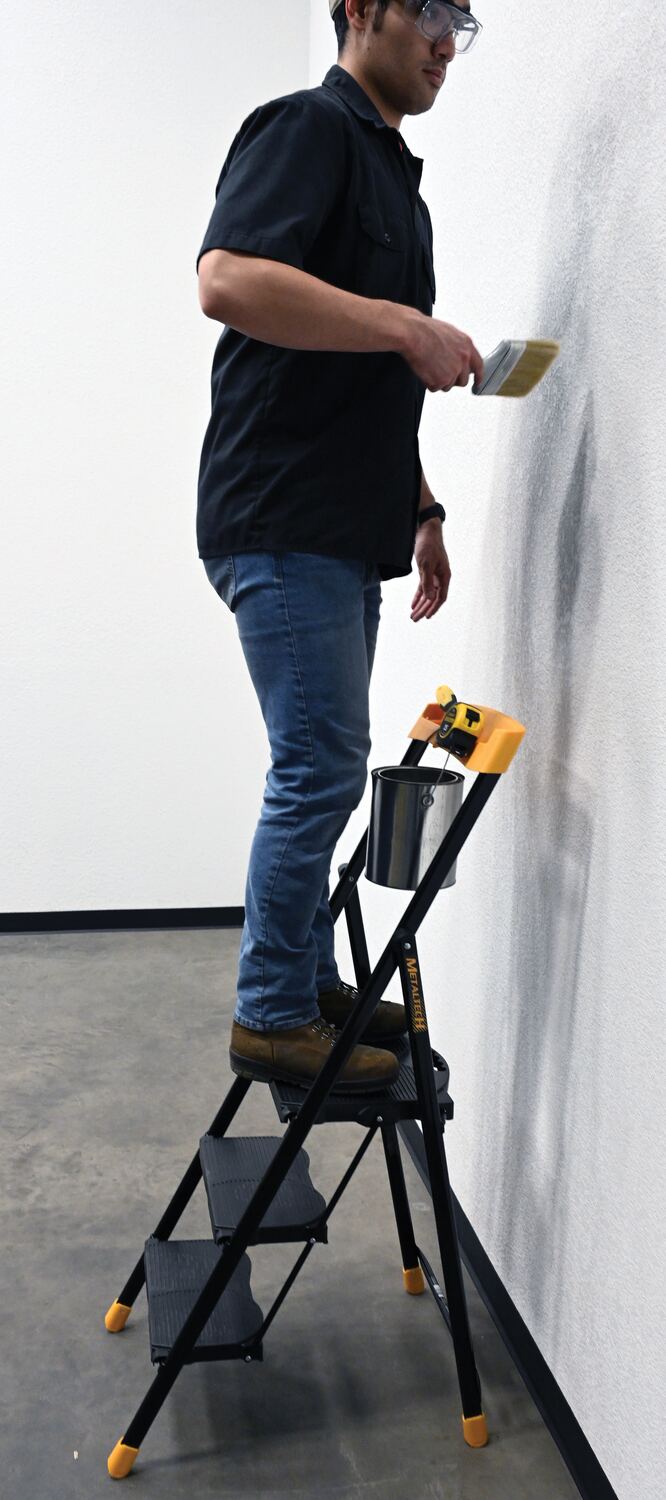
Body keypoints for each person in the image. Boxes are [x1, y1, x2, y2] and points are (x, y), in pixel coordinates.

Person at [196, 0, 484, 1094]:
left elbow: (363, 380)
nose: (447, 39)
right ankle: (271, 1013)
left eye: (463, 19)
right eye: (429, 11)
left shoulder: (396, 182)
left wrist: (423, 510)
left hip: (342, 524)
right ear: (359, 9)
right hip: (283, 514)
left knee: (324, 764)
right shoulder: (307, 128)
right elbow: (227, 280)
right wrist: (406, 325)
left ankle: (307, 984)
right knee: (316, 766)